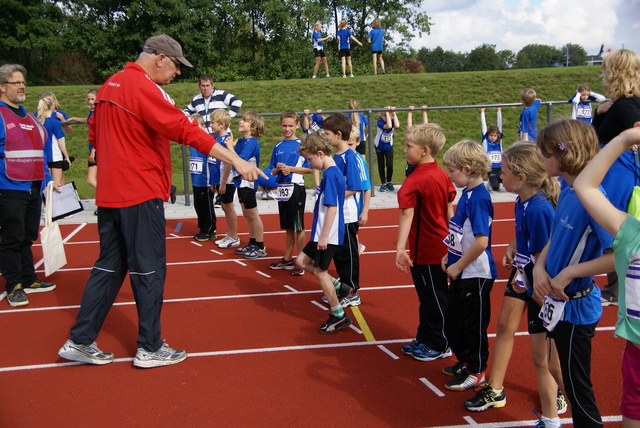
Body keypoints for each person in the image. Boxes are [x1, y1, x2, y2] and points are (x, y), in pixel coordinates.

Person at [57, 34, 265, 368]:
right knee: (149, 268)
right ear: (159, 59)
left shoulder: (109, 85)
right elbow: (188, 132)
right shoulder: (143, 87)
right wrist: (237, 161)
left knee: (108, 266)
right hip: (140, 192)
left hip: (111, 196)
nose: (178, 74)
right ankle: (150, 347)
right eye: (176, 67)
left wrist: (96, 169)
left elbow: (93, 133)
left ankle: (80, 339)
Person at [463, 143, 566, 428]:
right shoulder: (523, 201)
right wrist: (512, 245)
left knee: (545, 357)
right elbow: (526, 236)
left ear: (520, 177)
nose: (498, 175)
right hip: (524, 275)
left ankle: (556, 400)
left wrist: (534, 290)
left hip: (538, 286)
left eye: (503, 171)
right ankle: (495, 388)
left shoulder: (540, 209)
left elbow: (544, 255)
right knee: (506, 324)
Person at [533, 119, 614, 428]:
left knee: (578, 389)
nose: (541, 160)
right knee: (564, 374)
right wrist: (541, 266)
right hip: (558, 305)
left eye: (545, 153)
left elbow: (620, 254)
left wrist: (569, 272)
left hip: (576, 307)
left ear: (564, 155)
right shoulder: (568, 189)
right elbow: (555, 235)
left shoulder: (592, 196)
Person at [574, 124, 640, 428]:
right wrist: (625, 139)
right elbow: (584, 186)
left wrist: (623, 140)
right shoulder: (632, 234)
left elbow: (586, 186)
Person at [396, 123, 456, 362]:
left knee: (434, 297)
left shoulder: (415, 179)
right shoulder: (441, 174)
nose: (404, 150)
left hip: (428, 249)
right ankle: (426, 336)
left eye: (409, 146)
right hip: (440, 244)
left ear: (424, 150)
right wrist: (454, 241)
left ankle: (441, 342)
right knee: (430, 296)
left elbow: (406, 214)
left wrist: (400, 248)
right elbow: (450, 210)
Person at [441, 139, 497, 392]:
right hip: (460, 269)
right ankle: (465, 360)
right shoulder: (466, 195)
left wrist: (458, 265)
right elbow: (459, 231)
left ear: (468, 168)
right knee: (453, 321)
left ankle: (477, 370)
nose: (449, 175)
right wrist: (449, 255)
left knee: (473, 325)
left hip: (476, 273)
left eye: (452, 170)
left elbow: (481, 241)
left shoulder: (479, 199)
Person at [0, 64, 57, 308]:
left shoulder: (30, 117)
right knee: (11, 238)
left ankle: (28, 278)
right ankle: (13, 285)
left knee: (27, 236)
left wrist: (46, 181)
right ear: (2, 87)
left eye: (23, 82)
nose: (22, 86)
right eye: (16, 82)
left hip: (33, 187)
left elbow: (39, 152)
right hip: (9, 187)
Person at [592, 49, 640, 307]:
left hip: (617, 173)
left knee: (615, 230)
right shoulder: (618, 104)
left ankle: (617, 288)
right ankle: (617, 285)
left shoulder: (627, 105)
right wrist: (598, 114)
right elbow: (595, 138)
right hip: (612, 170)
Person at [296, 131, 352, 333]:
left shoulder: (330, 174)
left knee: (320, 272)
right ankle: (338, 285)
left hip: (327, 235)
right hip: (321, 233)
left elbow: (332, 208)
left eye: (310, 159)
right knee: (301, 262)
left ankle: (339, 315)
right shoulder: (332, 172)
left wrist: (325, 236)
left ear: (320, 153)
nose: (310, 163)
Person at [323, 114, 364, 306]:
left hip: (347, 215)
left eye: (327, 134)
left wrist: (334, 197)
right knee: (339, 254)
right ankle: (344, 286)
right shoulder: (332, 157)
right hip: (336, 215)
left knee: (348, 255)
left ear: (338, 135)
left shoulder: (350, 157)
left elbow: (355, 186)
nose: (325, 138)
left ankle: (352, 290)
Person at [268, 110, 313, 276]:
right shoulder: (278, 146)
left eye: (290, 126)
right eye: (284, 126)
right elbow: (272, 170)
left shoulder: (302, 144)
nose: (287, 129)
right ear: (280, 125)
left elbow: (310, 168)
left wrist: (291, 169)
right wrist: (277, 169)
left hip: (296, 187)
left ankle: (301, 261)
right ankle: (287, 258)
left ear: (297, 125)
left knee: (298, 226)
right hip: (282, 189)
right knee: (287, 226)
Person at [232, 111, 267, 259]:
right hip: (241, 182)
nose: (241, 122)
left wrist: (229, 147)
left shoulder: (252, 142)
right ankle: (252, 241)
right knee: (246, 214)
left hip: (249, 182)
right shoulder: (241, 141)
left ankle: (260, 245)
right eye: (241, 119)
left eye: (245, 121)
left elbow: (239, 159)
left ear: (253, 127)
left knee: (252, 214)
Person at [212, 109, 242, 249]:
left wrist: (223, 182)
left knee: (228, 206)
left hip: (228, 179)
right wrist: (214, 181)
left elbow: (229, 161)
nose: (211, 125)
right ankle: (230, 234)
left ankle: (234, 236)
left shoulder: (226, 140)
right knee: (224, 206)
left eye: (213, 123)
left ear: (222, 125)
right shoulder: (216, 139)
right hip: (220, 178)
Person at [189, 113, 218, 242]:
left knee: (207, 205)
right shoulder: (191, 141)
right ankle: (203, 228)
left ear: (202, 126)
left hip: (205, 180)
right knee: (198, 205)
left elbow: (212, 161)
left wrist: (213, 181)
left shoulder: (207, 140)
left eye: (195, 126)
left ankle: (210, 229)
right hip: (196, 180)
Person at [67, 89, 98, 190]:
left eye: (92, 99)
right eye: (88, 99)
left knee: (90, 179)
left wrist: (93, 151)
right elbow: (88, 120)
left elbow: (99, 132)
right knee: (96, 178)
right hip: (94, 147)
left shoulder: (98, 112)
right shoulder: (93, 111)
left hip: (97, 148)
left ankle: (109, 196)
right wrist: (75, 118)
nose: (90, 102)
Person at [347, 125, 371, 256]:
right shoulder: (340, 157)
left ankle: (350, 273)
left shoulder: (358, 161)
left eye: (350, 144)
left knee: (349, 241)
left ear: (357, 142)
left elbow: (366, 187)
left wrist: (365, 211)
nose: (348, 148)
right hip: (343, 206)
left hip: (354, 207)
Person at [36, 96, 71, 186]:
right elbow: (60, 141)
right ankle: (55, 200)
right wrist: (66, 156)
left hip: (42, 155)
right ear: (51, 106)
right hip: (55, 156)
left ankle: (45, 200)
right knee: (57, 183)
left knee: (46, 183)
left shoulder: (37, 121)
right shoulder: (54, 122)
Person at [374, 106, 400, 192]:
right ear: (382, 116)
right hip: (379, 146)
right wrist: (388, 114)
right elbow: (388, 126)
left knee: (389, 165)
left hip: (389, 146)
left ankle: (389, 181)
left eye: (388, 115)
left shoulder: (392, 120)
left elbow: (397, 125)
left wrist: (394, 113)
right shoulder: (380, 123)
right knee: (381, 165)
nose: (386, 117)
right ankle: (383, 183)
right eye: (385, 115)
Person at [480, 107, 504, 191]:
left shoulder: (499, 142)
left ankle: (496, 179)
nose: (492, 137)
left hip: (500, 168)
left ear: (497, 136)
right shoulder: (486, 142)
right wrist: (482, 112)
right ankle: (492, 181)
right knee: (495, 188)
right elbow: (483, 127)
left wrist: (499, 111)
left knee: (508, 182)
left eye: (494, 136)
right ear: (488, 135)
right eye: (491, 135)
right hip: (491, 168)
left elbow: (500, 125)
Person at [405, 105, 429, 177]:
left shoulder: (424, 137)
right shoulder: (412, 138)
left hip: (421, 163)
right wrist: (409, 112)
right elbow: (409, 126)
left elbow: (426, 126)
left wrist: (424, 111)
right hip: (412, 165)